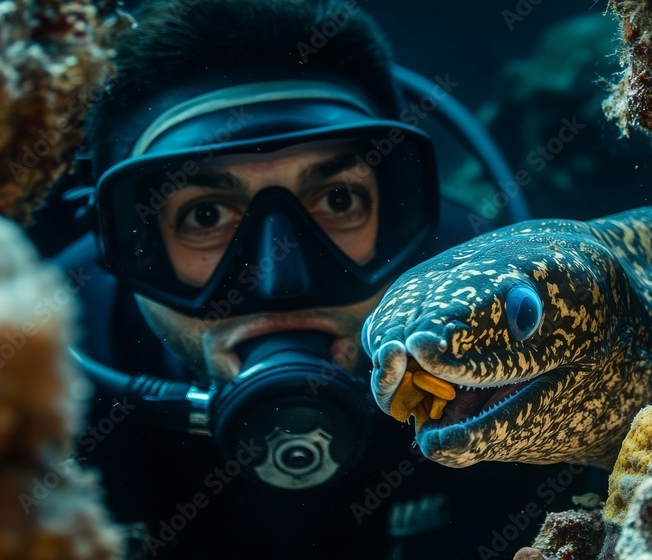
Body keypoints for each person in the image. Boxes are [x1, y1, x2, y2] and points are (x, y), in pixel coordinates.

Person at [53, 1, 599, 558]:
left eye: (339, 199)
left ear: (399, 218)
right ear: (125, 248)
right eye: (206, 215)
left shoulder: (504, 315)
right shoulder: (19, 387)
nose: (281, 281)